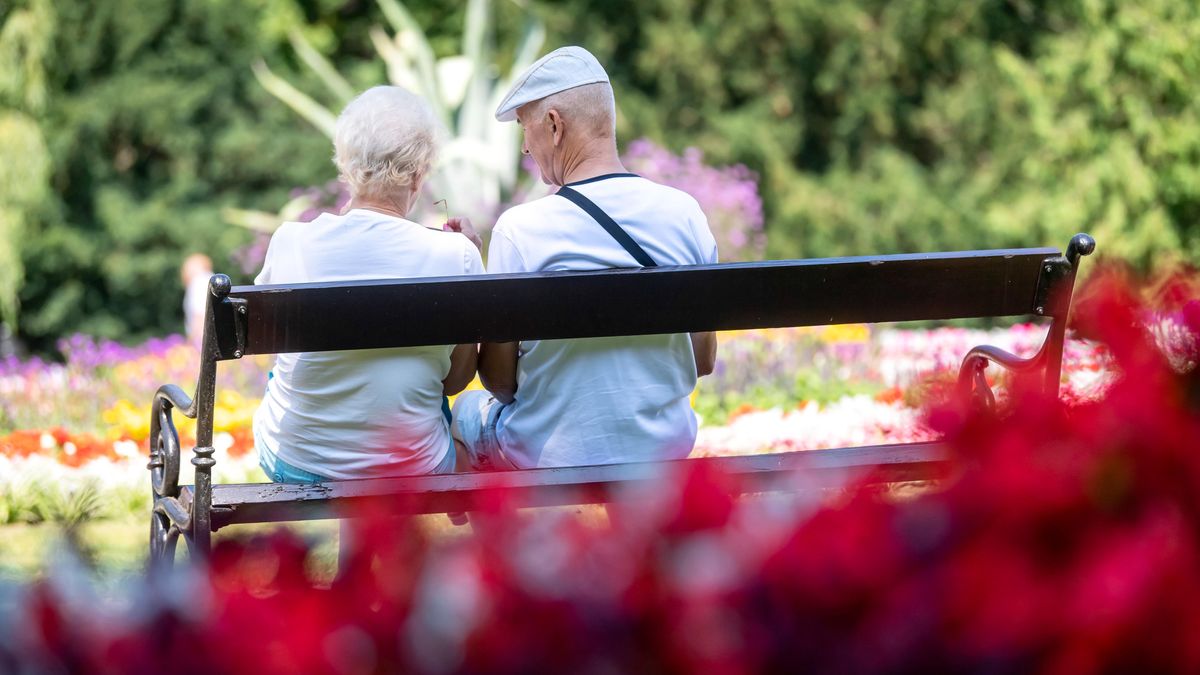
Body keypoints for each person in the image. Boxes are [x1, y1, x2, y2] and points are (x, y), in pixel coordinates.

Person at [452, 46, 718, 471]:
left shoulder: (520, 230)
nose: (525, 147)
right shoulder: (685, 214)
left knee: (463, 413)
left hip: (550, 459)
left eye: (525, 128)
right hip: (661, 453)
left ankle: (505, 536)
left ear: (554, 125)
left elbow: (500, 383)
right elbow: (702, 362)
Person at [253, 85, 484, 485]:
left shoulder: (291, 242)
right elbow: (455, 381)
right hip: (414, 466)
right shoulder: (455, 256)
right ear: (418, 173)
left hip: (296, 461)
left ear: (345, 162)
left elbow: (280, 355)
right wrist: (469, 257)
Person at [180, 253, 213, 346]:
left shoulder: (198, 282)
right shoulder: (210, 279)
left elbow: (200, 315)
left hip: (203, 339)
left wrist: (193, 343)